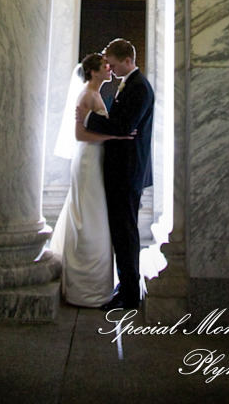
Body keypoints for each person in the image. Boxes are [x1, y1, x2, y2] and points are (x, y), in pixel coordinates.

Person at [76, 38, 154, 310]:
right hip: (123, 169)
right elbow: (120, 126)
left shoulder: (139, 88)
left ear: (127, 61)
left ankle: (130, 295)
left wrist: (87, 119)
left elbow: (123, 126)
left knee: (126, 232)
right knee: (122, 231)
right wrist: (114, 127)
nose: (110, 66)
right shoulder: (129, 84)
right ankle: (127, 283)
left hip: (128, 170)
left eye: (113, 62)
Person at [51, 52, 133, 307]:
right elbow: (80, 135)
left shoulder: (97, 94)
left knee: (96, 214)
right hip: (87, 159)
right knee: (88, 213)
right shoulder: (86, 95)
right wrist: (115, 138)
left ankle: (97, 283)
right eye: (105, 66)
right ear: (93, 72)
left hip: (96, 159)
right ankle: (83, 286)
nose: (109, 69)